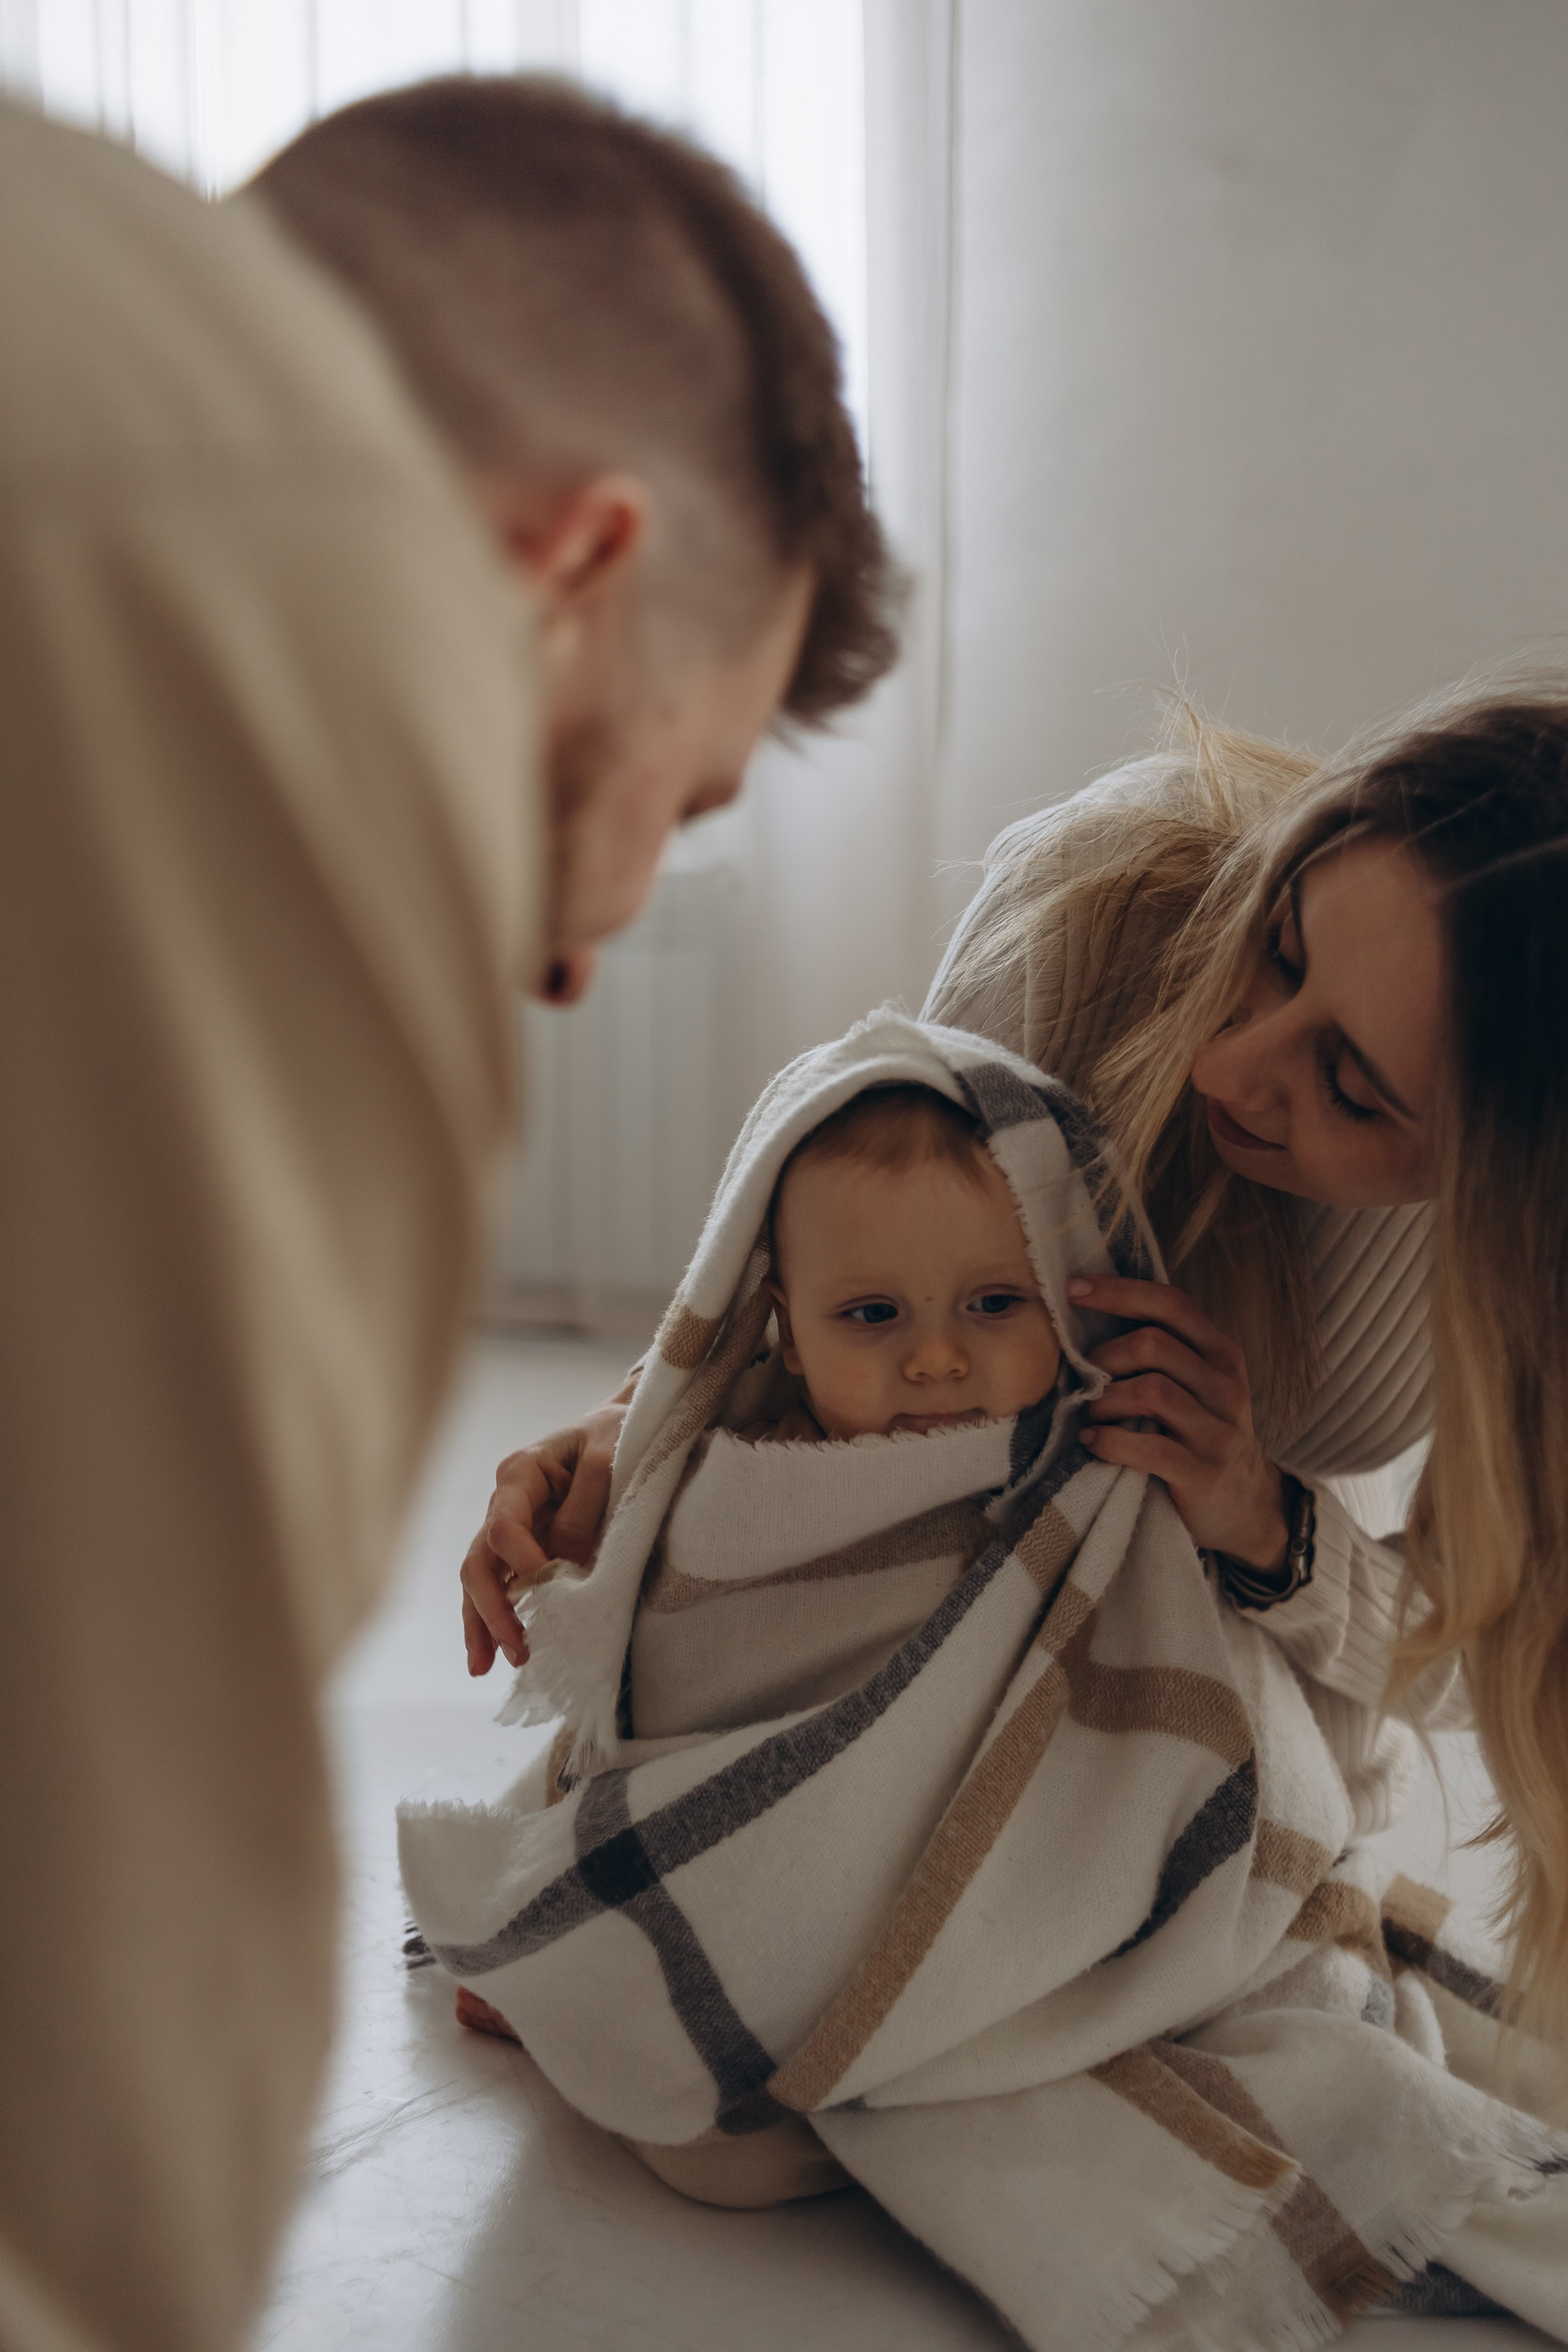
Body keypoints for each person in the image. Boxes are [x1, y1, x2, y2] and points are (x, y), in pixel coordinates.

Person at [0, 73, 896, 2352]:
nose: (588, 949)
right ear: (572, 571)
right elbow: (96, 1989)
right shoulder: (286, 592)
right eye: (675, 798)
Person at [413, 1011, 1568, 2344]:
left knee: (725, 2128)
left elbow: (1199, 1700)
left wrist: (1252, 1518)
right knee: (705, 2131)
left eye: (994, 1306)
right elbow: (680, 1703)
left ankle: (931, 2021)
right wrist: (627, 1457)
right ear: (784, 1327)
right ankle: (805, 2012)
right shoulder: (741, 1486)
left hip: (1050, 1854)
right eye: (871, 1316)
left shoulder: (1107, 1477)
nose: (937, 1360)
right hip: (826, 1855)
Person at [461, 674, 1568, 2054]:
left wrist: (1269, 1527)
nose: (1233, 1064)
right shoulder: (1093, 913)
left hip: (1213, 1683)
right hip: (937, 1583)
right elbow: (858, 1275)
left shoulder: (1528, 1275)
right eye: (1281, 948)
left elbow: (1497, 1650)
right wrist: (620, 1437)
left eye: (1352, 1088)